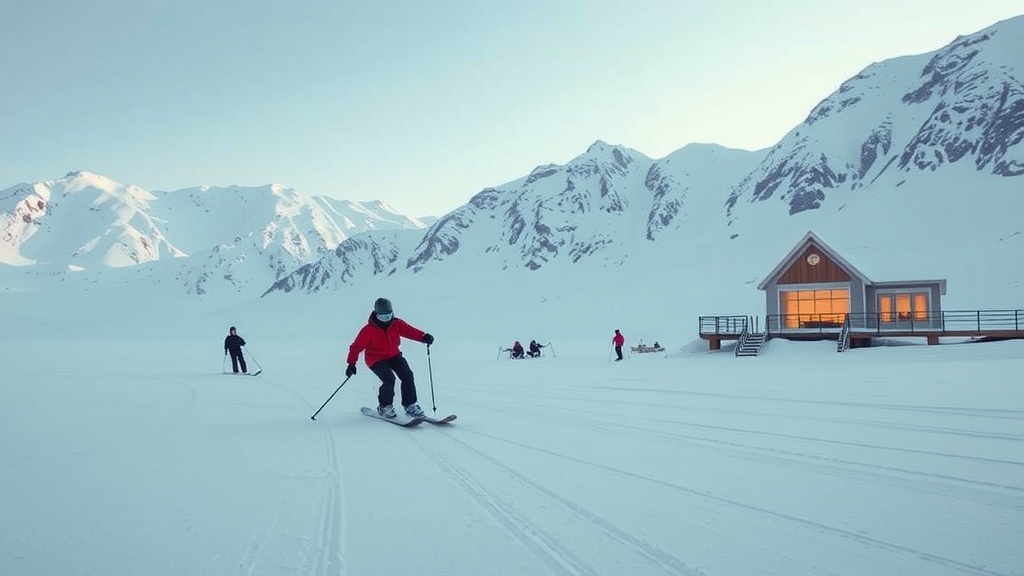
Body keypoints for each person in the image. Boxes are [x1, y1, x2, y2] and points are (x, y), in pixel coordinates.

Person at [346, 297, 434, 420]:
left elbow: (410, 331)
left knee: (407, 375)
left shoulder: (396, 323)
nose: (386, 319)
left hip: (394, 355)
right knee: (389, 379)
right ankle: (384, 407)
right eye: (383, 316)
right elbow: (355, 347)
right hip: (375, 359)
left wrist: (423, 337)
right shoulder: (368, 331)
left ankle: (410, 405)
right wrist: (351, 364)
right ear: (376, 314)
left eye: (389, 315)